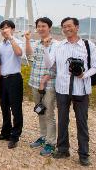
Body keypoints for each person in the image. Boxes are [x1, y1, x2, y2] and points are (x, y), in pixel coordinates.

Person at [43, 17, 96, 166]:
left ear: (77, 27)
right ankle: (63, 149)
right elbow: (50, 65)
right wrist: (45, 48)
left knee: (82, 122)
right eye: (64, 27)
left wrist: (83, 75)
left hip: (81, 89)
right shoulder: (59, 46)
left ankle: (83, 154)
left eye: (69, 26)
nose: (66, 29)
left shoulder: (88, 45)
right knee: (62, 120)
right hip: (62, 88)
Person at [25, 17, 57, 156]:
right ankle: (43, 137)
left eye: (43, 26)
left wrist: (45, 80)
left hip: (49, 85)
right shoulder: (37, 43)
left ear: (49, 27)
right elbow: (29, 54)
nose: (41, 28)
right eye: (39, 26)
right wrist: (27, 39)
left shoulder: (56, 44)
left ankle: (51, 142)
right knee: (40, 111)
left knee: (49, 113)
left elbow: (55, 66)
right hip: (35, 82)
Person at [0, 20, 24, 149]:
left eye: (7, 28)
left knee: (16, 108)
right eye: (2, 28)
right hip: (3, 79)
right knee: (4, 106)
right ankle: (5, 132)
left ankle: (15, 135)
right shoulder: (0, 45)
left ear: (12, 29)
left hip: (14, 78)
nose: (4, 30)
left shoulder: (17, 41)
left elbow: (19, 53)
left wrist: (11, 38)